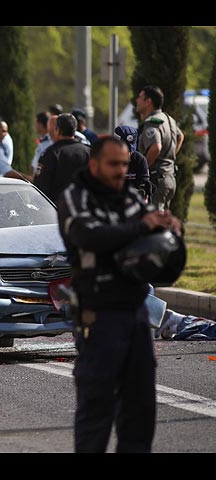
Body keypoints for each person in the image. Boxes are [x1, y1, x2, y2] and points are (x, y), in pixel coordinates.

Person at [57, 136, 182, 453]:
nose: (120, 171)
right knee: (97, 411)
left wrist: (168, 235)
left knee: (141, 411)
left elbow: (158, 257)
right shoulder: (76, 197)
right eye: (113, 164)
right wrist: (141, 228)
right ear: (94, 163)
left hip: (136, 316)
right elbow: (89, 235)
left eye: (125, 164)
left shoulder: (129, 198)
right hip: (99, 317)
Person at [135, 85, 185, 211]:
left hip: (156, 180)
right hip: (169, 177)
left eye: (140, 97)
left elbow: (155, 147)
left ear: (148, 101)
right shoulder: (168, 119)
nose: (137, 100)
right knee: (163, 222)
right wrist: (169, 158)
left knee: (155, 223)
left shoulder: (152, 122)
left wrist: (142, 170)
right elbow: (180, 136)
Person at [34, 114, 90, 204]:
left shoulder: (52, 154)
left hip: (58, 211)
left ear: (57, 130)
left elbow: (40, 188)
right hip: (84, 208)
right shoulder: (88, 152)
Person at [113, 125, 152, 201]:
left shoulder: (139, 160)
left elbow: (144, 188)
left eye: (131, 150)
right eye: (125, 149)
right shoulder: (107, 160)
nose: (128, 154)